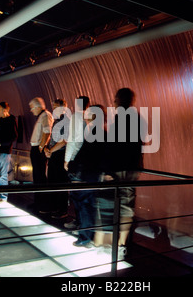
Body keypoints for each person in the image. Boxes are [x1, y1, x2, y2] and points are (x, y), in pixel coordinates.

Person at [97, 88, 145, 257]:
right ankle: (120, 244)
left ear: (119, 100)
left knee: (118, 204)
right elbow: (138, 144)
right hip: (132, 167)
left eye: (115, 99)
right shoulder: (137, 117)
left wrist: (106, 168)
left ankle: (114, 245)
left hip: (120, 168)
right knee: (126, 204)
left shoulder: (122, 117)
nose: (113, 102)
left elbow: (114, 146)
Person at [68, 104, 108, 247]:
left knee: (84, 206)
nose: (85, 118)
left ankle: (85, 237)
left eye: (88, 115)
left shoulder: (96, 133)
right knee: (84, 206)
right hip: (88, 175)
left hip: (86, 176)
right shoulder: (99, 133)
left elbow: (86, 156)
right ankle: (84, 234)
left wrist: (73, 166)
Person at [62, 96, 90, 231]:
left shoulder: (75, 117)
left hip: (75, 160)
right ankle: (84, 224)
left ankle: (79, 223)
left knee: (76, 195)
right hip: (86, 160)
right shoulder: (90, 117)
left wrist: (66, 160)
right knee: (84, 196)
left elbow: (72, 140)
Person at [44, 98, 71, 219]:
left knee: (60, 182)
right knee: (52, 181)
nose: (53, 109)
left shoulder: (66, 121)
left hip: (60, 155)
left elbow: (64, 141)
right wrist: (46, 148)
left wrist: (50, 150)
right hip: (54, 154)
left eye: (55, 107)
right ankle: (54, 207)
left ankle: (62, 209)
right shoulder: (56, 121)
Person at [29, 97, 54, 213]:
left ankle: (42, 205)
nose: (31, 110)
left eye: (32, 108)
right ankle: (38, 203)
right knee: (37, 177)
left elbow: (47, 131)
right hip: (36, 148)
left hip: (38, 149)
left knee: (40, 177)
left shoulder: (45, 115)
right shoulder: (42, 116)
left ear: (38, 107)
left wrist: (41, 147)